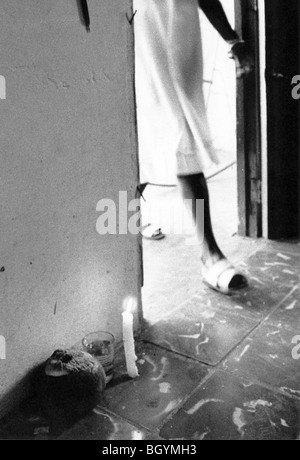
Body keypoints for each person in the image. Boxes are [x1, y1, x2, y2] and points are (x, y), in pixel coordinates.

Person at [134, 0, 253, 295]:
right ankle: (209, 253)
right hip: (139, 29)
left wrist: (232, 39)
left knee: (182, 136)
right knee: (144, 133)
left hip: (180, 36)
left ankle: (209, 256)